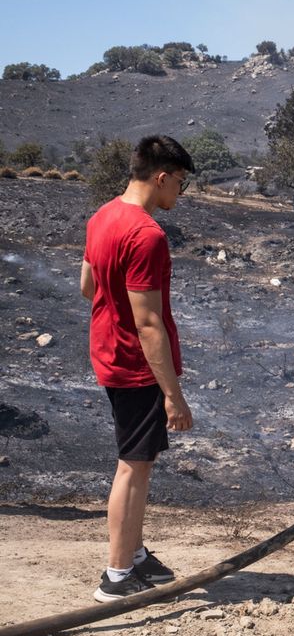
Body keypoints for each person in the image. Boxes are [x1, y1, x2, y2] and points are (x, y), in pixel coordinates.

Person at [80, 135, 195, 602]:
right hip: (136, 366)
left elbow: (88, 285)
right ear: (161, 176)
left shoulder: (103, 215)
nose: (179, 195)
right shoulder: (147, 234)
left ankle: (136, 553)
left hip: (108, 353)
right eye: (180, 184)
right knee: (134, 466)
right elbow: (149, 325)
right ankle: (117, 575)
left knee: (136, 461)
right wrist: (173, 395)